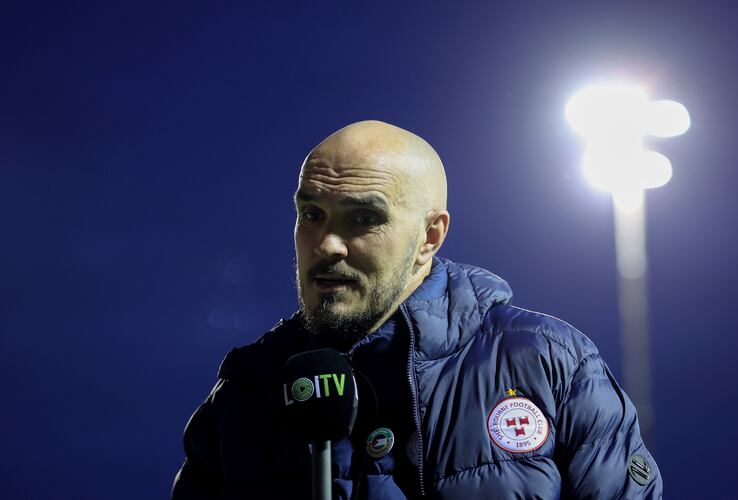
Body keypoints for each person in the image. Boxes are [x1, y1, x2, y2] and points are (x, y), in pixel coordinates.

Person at [171, 120, 662, 499]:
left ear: (430, 237)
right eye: (311, 215)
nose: (328, 245)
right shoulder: (247, 391)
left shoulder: (551, 364)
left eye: (364, 218)